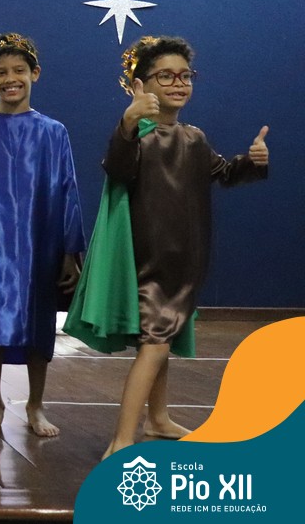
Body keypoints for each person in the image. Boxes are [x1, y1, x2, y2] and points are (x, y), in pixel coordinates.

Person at [68, 37, 268, 459]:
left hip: (186, 261)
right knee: (156, 341)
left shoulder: (194, 138)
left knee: (162, 338)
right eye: (166, 76)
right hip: (150, 262)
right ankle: (122, 439)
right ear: (141, 85)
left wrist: (253, 162)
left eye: (185, 76)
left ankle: (158, 417)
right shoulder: (136, 138)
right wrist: (127, 123)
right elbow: (117, 167)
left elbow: (225, 173)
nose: (178, 84)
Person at [0, 33, 85, 438]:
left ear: (35, 73)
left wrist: (70, 250)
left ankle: (35, 404)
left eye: (19, 70)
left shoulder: (53, 132)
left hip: (40, 244)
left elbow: (68, 190)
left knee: (38, 326)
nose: (11, 79)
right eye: (1, 72)